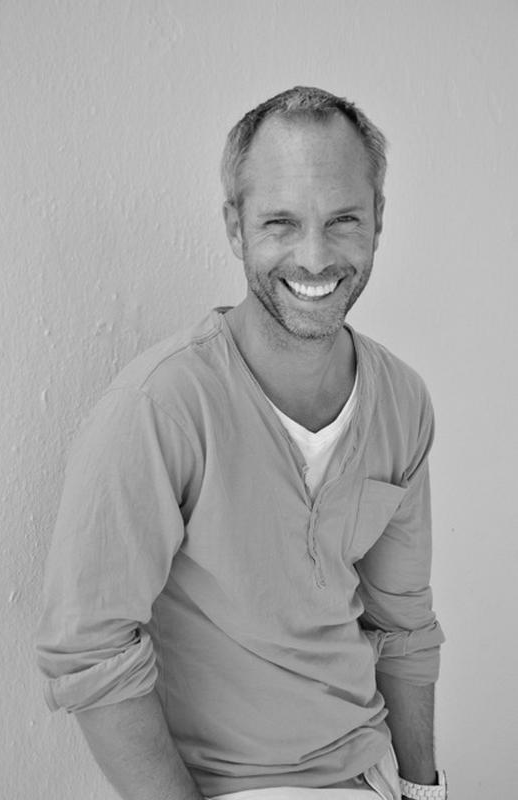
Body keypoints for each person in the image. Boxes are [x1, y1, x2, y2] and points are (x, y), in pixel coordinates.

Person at [36, 86, 447, 800]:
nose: (314, 257)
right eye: (281, 222)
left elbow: (404, 623)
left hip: (371, 771)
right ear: (235, 226)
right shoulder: (159, 408)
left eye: (343, 219)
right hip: (230, 786)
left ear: (378, 219)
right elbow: (90, 650)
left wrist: (424, 790)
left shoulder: (401, 401)